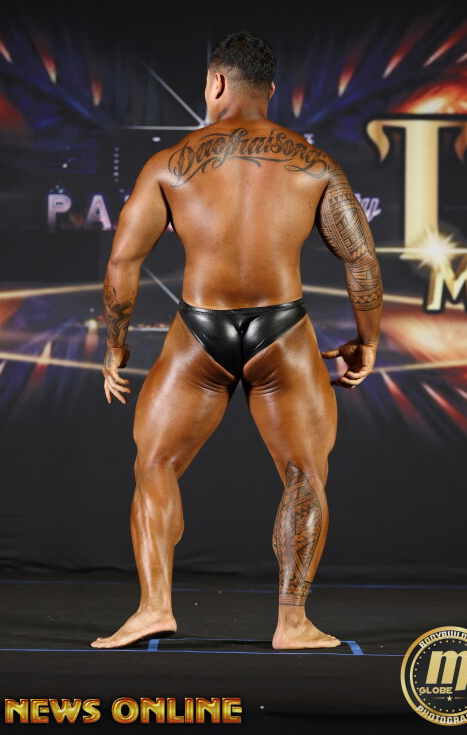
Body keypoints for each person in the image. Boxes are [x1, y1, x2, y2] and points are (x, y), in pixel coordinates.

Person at [91, 32, 382, 651]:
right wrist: (367, 342)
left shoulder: (169, 164)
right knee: (305, 473)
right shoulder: (315, 163)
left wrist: (116, 344)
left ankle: (154, 608)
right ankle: (293, 623)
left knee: (155, 464)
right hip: (284, 330)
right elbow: (361, 260)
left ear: (216, 82)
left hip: (200, 330)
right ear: (270, 90)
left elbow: (123, 262)